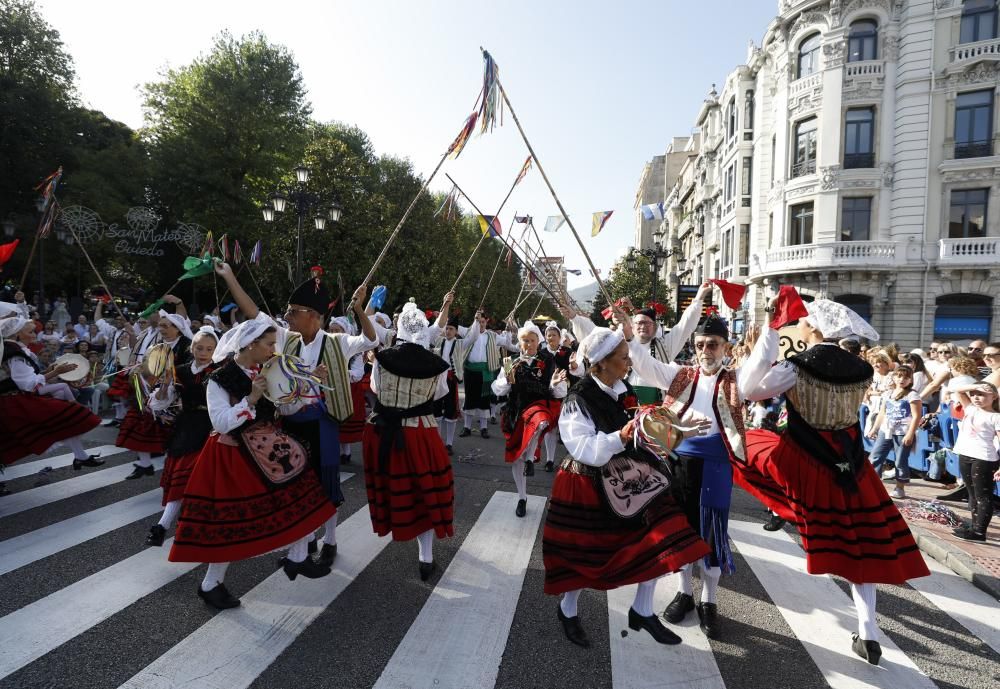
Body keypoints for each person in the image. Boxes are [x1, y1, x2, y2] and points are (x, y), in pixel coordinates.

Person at [734, 295, 929, 666]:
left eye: (803, 322)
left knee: (744, 445)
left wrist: (771, 333)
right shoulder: (861, 368)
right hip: (852, 465)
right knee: (861, 550)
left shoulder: (797, 366)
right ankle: (868, 631)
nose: (800, 325)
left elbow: (748, 390)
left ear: (812, 327)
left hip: (805, 461)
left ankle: (786, 507)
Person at [543, 326, 712, 648]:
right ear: (601, 363)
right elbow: (584, 449)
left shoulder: (622, 388)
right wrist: (620, 436)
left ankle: (643, 609)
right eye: (623, 358)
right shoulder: (577, 399)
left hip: (631, 475)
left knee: (658, 540)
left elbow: (643, 427)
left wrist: (678, 432)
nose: (628, 363)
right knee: (585, 556)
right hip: (586, 481)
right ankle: (568, 608)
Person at [625, 290, 773, 640]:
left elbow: (764, 357)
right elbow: (644, 364)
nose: (706, 351)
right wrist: (630, 335)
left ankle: (709, 600)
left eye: (714, 345)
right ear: (695, 346)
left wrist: (771, 322)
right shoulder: (680, 374)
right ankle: (685, 593)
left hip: (717, 464)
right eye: (702, 344)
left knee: (711, 532)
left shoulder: (739, 378)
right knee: (680, 529)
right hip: (677, 460)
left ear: (725, 347)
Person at [216, 262, 378, 566]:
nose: (287, 316)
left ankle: (330, 537)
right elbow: (254, 313)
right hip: (289, 422)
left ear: (314, 316)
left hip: (322, 422)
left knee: (326, 481)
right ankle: (305, 540)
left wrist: (358, 310)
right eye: (288, 312)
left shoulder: (337, 342)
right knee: (298, 483)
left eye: (294, 311)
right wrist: (229, 277)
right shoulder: (284, 337)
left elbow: (371, 341)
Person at [168, 315, 335, 609]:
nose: (274, 349)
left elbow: (286, 406)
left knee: (302, 495)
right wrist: (251, 400)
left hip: (268, 447)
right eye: (269, 344)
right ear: (250, 344)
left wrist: (308, 384)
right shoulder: (218, 379)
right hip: (232, 454)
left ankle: (297, 558)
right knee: (230, 524)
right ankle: (211, 584)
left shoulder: (266, 369)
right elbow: (220, 423)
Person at [363, 300, 454, 581]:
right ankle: (425, 557)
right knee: (424, 491)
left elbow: (376, 389)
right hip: (420, 432)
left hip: (382, 432)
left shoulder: (382, 358)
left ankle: (396, 525)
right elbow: (440, 394)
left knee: (394, 488)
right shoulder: (438, 364)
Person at [145, 326, 220, 547]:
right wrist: (166, 382)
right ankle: (163, 526)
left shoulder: (221, 371)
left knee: (199, 482)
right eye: (199, 347)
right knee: (181, 478)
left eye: (209, 348)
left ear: (216, 350)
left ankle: (171, 527)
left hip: (213, 428)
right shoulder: (180, 370)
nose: (204, 352)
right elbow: (159, 402)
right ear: (192, 347)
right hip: (186, 428)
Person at [0, 314, 103, 471]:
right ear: (17, 334)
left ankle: (81, 456)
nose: (34, 335)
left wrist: (49, 370)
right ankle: (81, 456)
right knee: (67, 416)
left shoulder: (14, 350)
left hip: (17, 400)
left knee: (63, 420)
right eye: (30, 332)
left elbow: (28, 378)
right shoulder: (13, 353)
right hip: (14, 402)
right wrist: (56, 372)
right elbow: (27, 384)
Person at [491, 320, 568, 517]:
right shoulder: (511, 362)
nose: (528, 344)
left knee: (541, 421)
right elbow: (499, 389)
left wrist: (555, 383)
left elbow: (555, 391)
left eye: (532, 340)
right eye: (524, 340)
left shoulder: (547, 361)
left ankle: (531, 457)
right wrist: (507, 380)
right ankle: (522, 497)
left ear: (538, 341)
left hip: (540, 406)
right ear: (519, 342)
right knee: (517, 458)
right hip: (516, 411)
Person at [116, 306, 193, 480]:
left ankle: (172, 472)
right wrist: (139, 369)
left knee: (172, 438)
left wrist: (167, 377)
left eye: (166, 326)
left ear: (178, 329)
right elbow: (148, 366)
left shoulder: (187, 347)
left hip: (177, 397)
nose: (162, 329)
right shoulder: (157, 346)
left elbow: (189, 372)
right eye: (161, 325)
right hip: (153, 394)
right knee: (137, 422)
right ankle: (145, 464)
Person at [950, 381, 1000, 542]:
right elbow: (956, 389)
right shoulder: (970, 408)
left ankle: (980, 532)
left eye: (982, 394)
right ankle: (975, 527)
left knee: (983, 495)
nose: (977, 397)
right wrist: (973, 387)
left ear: (994, 397)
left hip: (984, 457)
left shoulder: (995, 416)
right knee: (971, 494)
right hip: (965, 454)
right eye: (974, 394)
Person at [456, 312, 518, 439]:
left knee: (484, 400)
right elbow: (451, 325)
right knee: (470, 398)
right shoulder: (468, 331)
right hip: (470, 370)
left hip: (486, 371)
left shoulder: (492, 335)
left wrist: (508, 330)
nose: (481, 325)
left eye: (483, 322)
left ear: (487, 321)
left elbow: (507, 343)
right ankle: (467, 427)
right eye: (478, 322)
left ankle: (484, 428)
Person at [866, 365, 923, 497]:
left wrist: (910, 433)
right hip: (886, 430)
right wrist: (875, 428)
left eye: (906, 377)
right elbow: (882, 413)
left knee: (900, 460)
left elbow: (916, 416)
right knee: (875, 456)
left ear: (910, 380)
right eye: (898, 376)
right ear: (893, 377)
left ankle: (900, 487)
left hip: (903, 431)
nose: (901, 379)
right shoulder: (887, 394)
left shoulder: (912, 395)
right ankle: (872, 484)